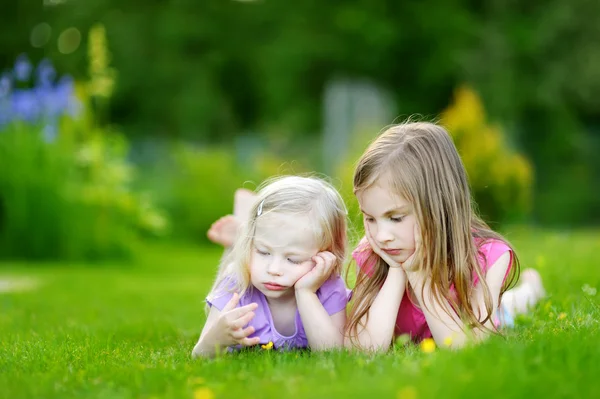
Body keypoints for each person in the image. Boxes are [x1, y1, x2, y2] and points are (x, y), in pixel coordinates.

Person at [346, 121, 545, 350]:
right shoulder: (372, 254)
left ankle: (532, 289)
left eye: (396, 218)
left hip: (489, 312)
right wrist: (397, 272)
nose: (381, 236)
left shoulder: (488, 257)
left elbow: (465, 347)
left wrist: (419, 276)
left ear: (438, 206)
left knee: (511, 305)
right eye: (370, 218)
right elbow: (364, 348)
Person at [192, 176, 350, 358]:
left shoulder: (328, 287)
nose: (274, 269)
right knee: (234, 264)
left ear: (327, 255)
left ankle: (245, 229)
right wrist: (214, 340)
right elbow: (199, 355)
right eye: (263, 252)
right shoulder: (237, 284)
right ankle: (237, 238)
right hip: (240, 265)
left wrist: (306, 293)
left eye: (293, 259)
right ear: (251, 245)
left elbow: (332, 354)